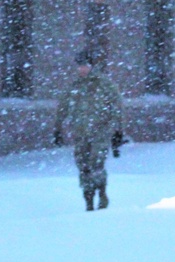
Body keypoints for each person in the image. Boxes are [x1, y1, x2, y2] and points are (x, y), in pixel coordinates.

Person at [53, 49, 124, 211]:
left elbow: (117, 107)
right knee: (83, 167)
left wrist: (118, 131)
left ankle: (102, 194)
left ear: (92, 66)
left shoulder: (104, 85)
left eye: (85, 65)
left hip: (100, 132)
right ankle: (88, 200)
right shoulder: (74, 87)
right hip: (80, 133)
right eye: (80, 66)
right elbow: (63, 108)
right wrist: (57, 129)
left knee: (96, 164)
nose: (82, 69)